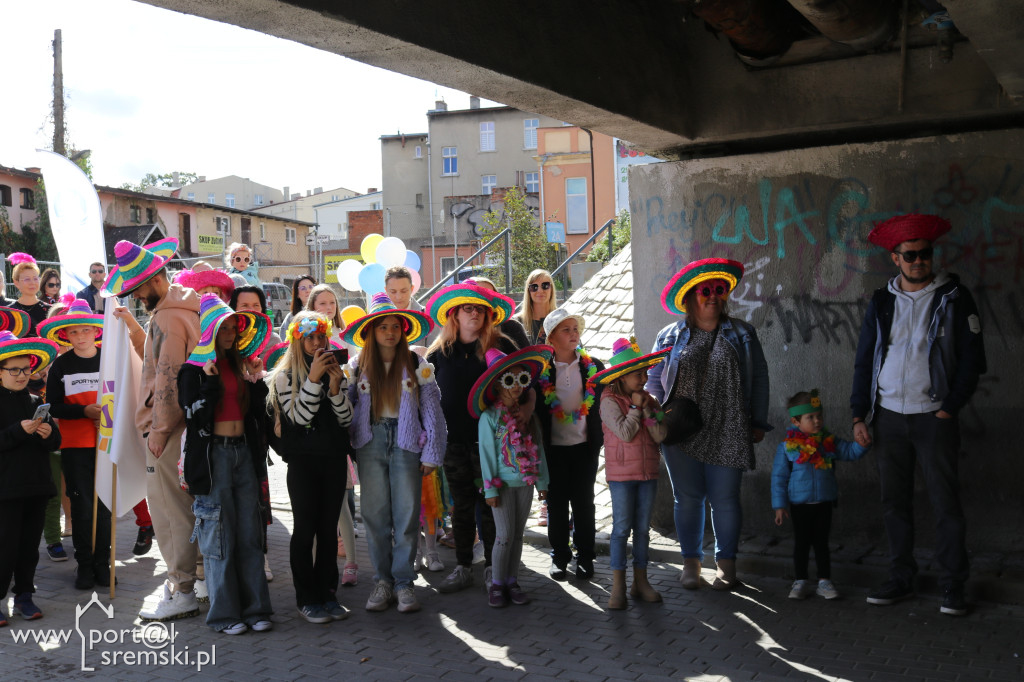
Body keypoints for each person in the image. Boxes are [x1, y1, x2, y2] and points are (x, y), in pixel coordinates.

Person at [850, 213, 986, 616]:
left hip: (933, 417)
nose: (918, 262)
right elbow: (863, 361)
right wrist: (859, 415)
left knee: (945, 502)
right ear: (895, 258)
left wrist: (949, 408)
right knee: (894, 502)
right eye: (910, 255)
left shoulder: (955, 298)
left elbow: (972, 360)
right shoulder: (881, 302)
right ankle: (901, 578)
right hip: (889, 416)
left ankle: (952, 585)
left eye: (925, 254)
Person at [647, 258, 771, 591]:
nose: (713, 296)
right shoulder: (669, 335)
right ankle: (691, 563)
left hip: (729, 426)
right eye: (706, 290)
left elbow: (759, 378)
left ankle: (726, 564)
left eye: (719, 290)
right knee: (687, 498)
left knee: (725, 499)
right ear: (689, 297)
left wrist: (757, 420)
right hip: (681, 429)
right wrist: (655, 419)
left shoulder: (743, 334)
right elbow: (654, 381)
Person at [107, 237, 205, 621]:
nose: (135, 296)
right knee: (190, 510)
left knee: (169, 513)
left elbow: (167, 377)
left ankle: (181, 589)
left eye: (137, 289)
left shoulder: (168, 315)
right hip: (190, 426)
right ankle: (196, 580)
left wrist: (159, 430)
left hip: (170, 429)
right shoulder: (184, 305)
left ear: (154, 280)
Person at [178, 294, 274, 634]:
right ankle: (224, 616)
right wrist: (211, 381)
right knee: (218, 539)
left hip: (243, 454)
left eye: (235, 327)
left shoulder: (239, 364)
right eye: (225, 327)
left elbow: (259, 413)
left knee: (250, 534)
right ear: (210, 330)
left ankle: (256, 609)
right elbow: (194, 417)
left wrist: (257, 379)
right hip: (213, 457)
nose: (232, 332)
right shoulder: (192, 370)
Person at [344, 292, 445, 614]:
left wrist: (431, 452)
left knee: (405, 516)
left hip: (406, 444)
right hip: (370, 443)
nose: (390, 332)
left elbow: (431, 409)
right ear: (371, 332)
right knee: (375, 516)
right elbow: (345, 406)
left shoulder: (416, 363)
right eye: (382, 327)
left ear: (404, 331)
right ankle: (382, 581)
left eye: (395, 327)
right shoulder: (357, 366)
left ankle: (403, 583)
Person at [425, 283, 516, 593]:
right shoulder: (439, 353)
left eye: (480, 308)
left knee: (493, 505)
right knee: (462, 506)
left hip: (493, 444)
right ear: (454, 314)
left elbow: (526, 385)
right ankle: (463, 566)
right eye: (468, 307)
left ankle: (494, 566)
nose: (474, 312)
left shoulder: (502, 346)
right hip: (454, 443)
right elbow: (426, 399)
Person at [266, 311, 353, 624]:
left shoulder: (336, 371)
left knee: (329, 529)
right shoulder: (284, 377)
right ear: (297, 340)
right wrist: (314, 380)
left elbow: (346, 419)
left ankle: (328, 593)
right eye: (310, 338)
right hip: (303, 463)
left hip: (333, 459)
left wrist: (334, 387)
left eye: (321, 337)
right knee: (305, 528)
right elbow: (300, 418)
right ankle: (307, 597)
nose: (317, 344)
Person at [592, 336, 670, 609]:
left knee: (642, 531)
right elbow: (624, 432)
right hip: (622, 476)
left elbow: (660, 435)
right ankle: (617, 587)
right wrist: (636, 408)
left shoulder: (650, 400)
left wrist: (649, 410)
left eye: (645, 372)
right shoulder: (608, 401)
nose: (644, 378)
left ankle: (641, 581)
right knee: (621, 529)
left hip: (648, 472)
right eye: (638, 374)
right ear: (623, 377)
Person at [38, 297, 110, 591]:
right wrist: (84, 411)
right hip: (75, 446)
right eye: (73, 332)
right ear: (65, 335)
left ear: (95, 331)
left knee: (103, 508)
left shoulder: (110, 359)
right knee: (81, 507)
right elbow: (52, 406)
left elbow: (126, 396)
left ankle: (103, 566)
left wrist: (108, 414)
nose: (80, 336)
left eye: (85, 330)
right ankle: (85, 565)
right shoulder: (60, 366)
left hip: (107, 445)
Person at [472, 346, 552, 607]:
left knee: (518, 536)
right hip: (502, 486)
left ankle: (511, 580)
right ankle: (496, 583)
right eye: (510, 380)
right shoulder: (489, 418)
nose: (517, 386)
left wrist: (542, 483)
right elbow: (485, 455)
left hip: (525, 484)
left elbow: (537, 447)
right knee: (504, 535)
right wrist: (490, 490)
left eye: (522, 379)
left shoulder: (527, 415)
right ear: (497, 384)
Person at [772, 390, 868, 601]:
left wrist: (861, 444)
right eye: (810, 417)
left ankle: (824, 581)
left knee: (822, 543)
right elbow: (779, 477)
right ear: (796, 421)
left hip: (824, 502)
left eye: (819, 416)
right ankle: (800, 580)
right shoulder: (788, 447)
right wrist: (780, 505)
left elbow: (849, 452)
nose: (817, 421)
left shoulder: (828, 443)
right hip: (799, 504)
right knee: (802, 543)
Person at [535, 308, 605, 581]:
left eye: (575, 329)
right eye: (566, 330)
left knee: (585, 504)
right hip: (553, 449)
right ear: (551, 337)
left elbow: (603, 403)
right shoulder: (541, 370)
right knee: (556, 505)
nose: (574, 334)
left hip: (584, 447)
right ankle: (560, 557)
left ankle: (586, 557)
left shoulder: (593, 366)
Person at [0, 330, 61, 623]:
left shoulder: (36, 400)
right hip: (6, 489)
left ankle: (25, 595)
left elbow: (55, 441)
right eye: (14, 369)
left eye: (26, 368)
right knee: (4, 547)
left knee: (28, 549)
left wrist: (49, 434)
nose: (23, 375)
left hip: (37, 486)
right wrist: (16, 432)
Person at [467, 277, 530, 349]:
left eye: (489, 296)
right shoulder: (461, 336)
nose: (484, 301)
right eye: (479, 296)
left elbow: (528, 357)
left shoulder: (511, 327)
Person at [7, 253, 51, 336]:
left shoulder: (50, 310)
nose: (32, 283)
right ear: (16, 283)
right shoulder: (8, 313)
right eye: (27, 279)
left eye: (35, 278)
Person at [515, 269, 557, 345]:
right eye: (534, 287)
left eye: (545, 285)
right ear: (528, 291)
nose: (540, 290)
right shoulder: (516, 323)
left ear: (551, 289)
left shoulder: (562, 320)